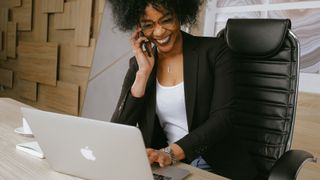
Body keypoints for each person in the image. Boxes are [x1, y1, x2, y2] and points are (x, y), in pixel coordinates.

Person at [108, 0, 257, 179]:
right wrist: (143, 74)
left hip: (213, 163)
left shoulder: (215, 52)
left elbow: (223, 118)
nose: (159, 31)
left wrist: (170, 153)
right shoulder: (140, 65)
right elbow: (119, 129)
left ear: (180, 14)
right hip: (166, 166)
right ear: (139, 29)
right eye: (148, 25)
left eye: (167, 20)